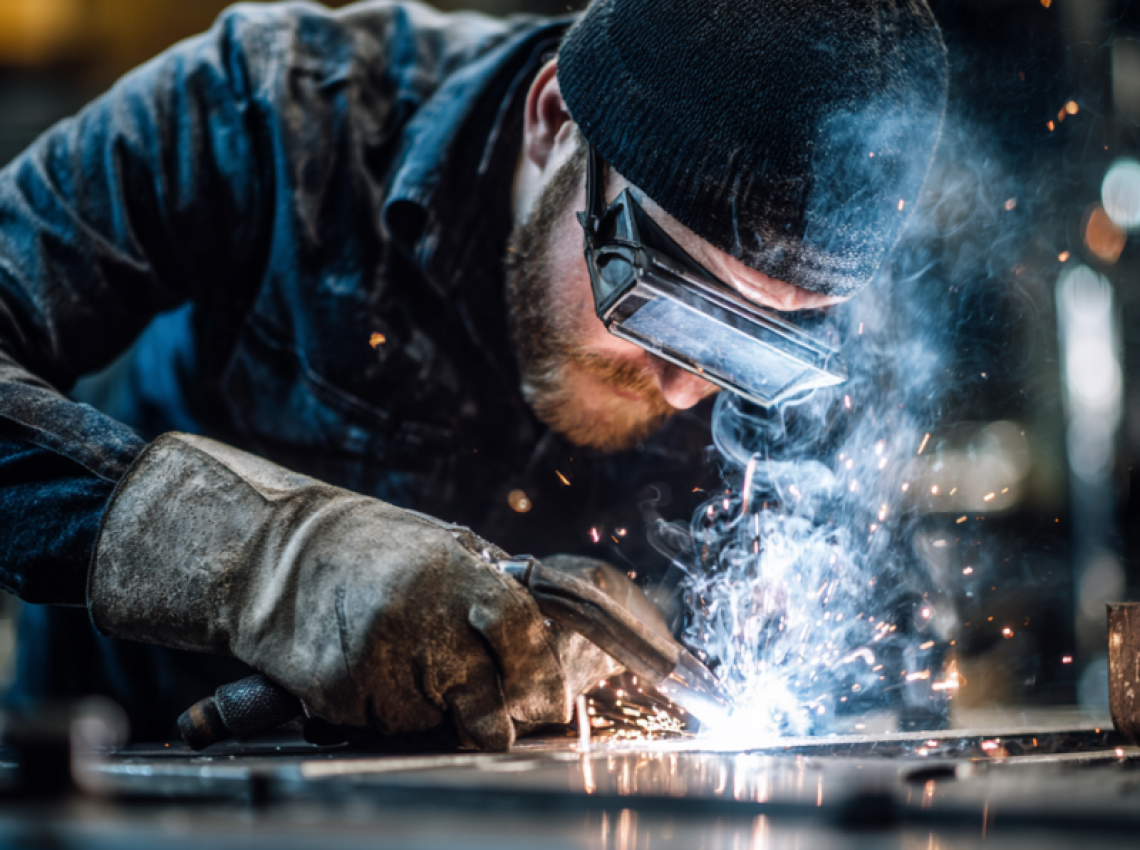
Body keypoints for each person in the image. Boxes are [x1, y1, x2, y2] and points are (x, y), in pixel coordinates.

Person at [0, 0, 947, 747]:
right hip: (136, 764)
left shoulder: (818, 320)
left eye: (755, 352)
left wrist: (670, 660)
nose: (687, 389)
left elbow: (886, 645)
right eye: (669, 305)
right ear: (551, 125)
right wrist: (259, 561)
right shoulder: (275, 112)